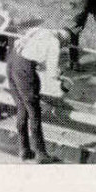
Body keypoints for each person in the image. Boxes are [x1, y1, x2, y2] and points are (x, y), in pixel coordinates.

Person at [6, 25, 68, 163]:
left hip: (12, 60)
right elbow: (52, 73)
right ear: (63, 39)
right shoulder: (55, 42)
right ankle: (41, 154)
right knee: (34, 112)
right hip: (24, 69)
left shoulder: (41, 29)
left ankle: (24, 150)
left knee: (22, 107)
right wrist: (60, 78)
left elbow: (24, 43)